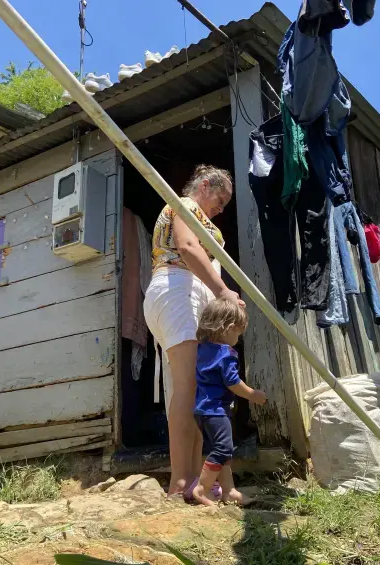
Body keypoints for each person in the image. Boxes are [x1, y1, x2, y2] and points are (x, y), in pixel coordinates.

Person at [143, 164, 244, 497]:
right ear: (204, 185)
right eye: (220, 198)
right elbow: (186, 247)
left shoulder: (207, 222)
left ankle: (199, 481)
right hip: (177, 290)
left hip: (190, 296)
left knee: (199, 390)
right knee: (188, 386)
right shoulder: (184, 206)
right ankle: (180, 482)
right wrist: (223, 290)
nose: (221, 208)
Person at [191, 299, 267, 506]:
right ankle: (201, 489)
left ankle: (229, 491)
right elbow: (232, 382)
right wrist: (252, 394)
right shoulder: (226, 354)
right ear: (229, 329)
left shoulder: (203, 348)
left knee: (219, 451)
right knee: (223, 449)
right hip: (216, 411)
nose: (237, 339)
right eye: (238, 334)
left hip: (201, 411)